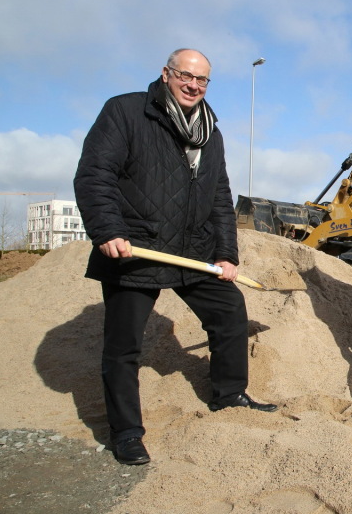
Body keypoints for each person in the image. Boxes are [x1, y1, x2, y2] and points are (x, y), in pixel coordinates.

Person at [74, 48, 277, 466]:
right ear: (166, 74)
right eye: (185, 75)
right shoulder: (127, 112)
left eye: (202, 80)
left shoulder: (211, 132)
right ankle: (127, 432)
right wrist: (107, 229)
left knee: (229, 311)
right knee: (123, 345)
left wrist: (226, 254)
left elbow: (220, 197)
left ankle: (229, 394)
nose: (193, 85)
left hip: (194, 251)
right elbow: (95, 173)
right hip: (136, 248)